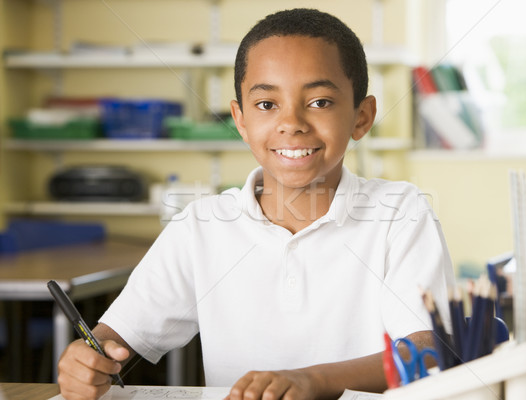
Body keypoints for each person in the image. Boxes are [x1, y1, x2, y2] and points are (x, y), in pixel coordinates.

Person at [56, 8, 455, 400]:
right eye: (267, 105)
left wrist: (311, 381)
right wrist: (87, 361)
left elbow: (427, 351)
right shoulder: (200, 226)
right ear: (241, 120)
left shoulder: (401, 213)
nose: (292, 122)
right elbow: (116, 338)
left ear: (361, 117)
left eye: (320, 102)